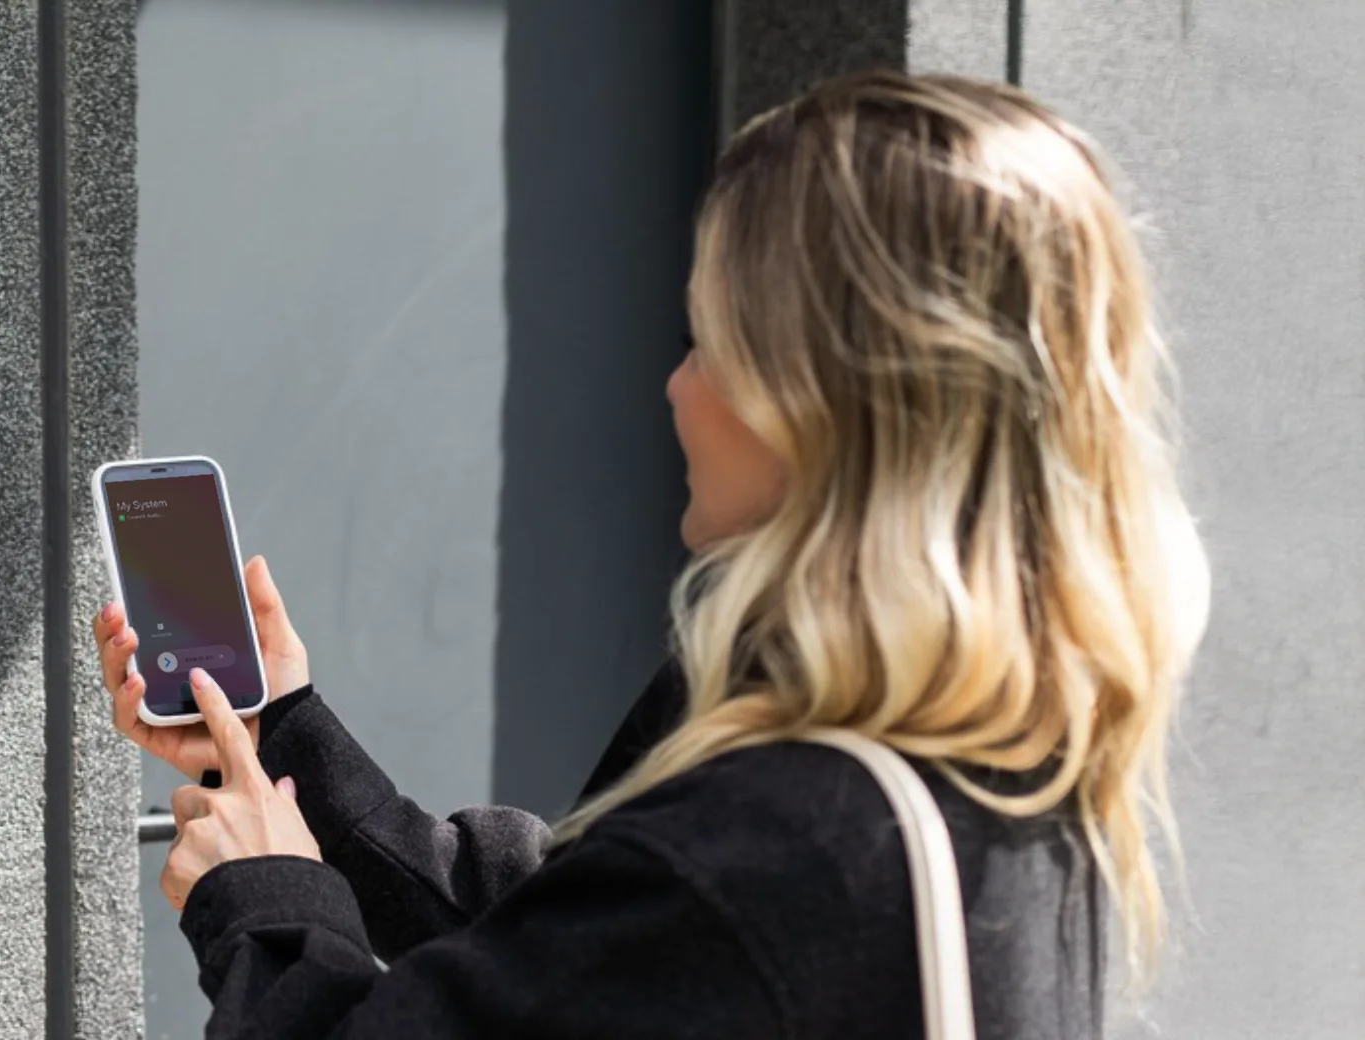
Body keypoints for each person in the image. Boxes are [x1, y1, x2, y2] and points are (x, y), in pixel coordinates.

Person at [91, 71, 1210, 1038]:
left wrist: (265, 899)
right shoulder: (1011, 751)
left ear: (818, 403)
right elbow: (570, 950)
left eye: (708, 343)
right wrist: (286, 729)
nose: (675, 388)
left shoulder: (781, 834)